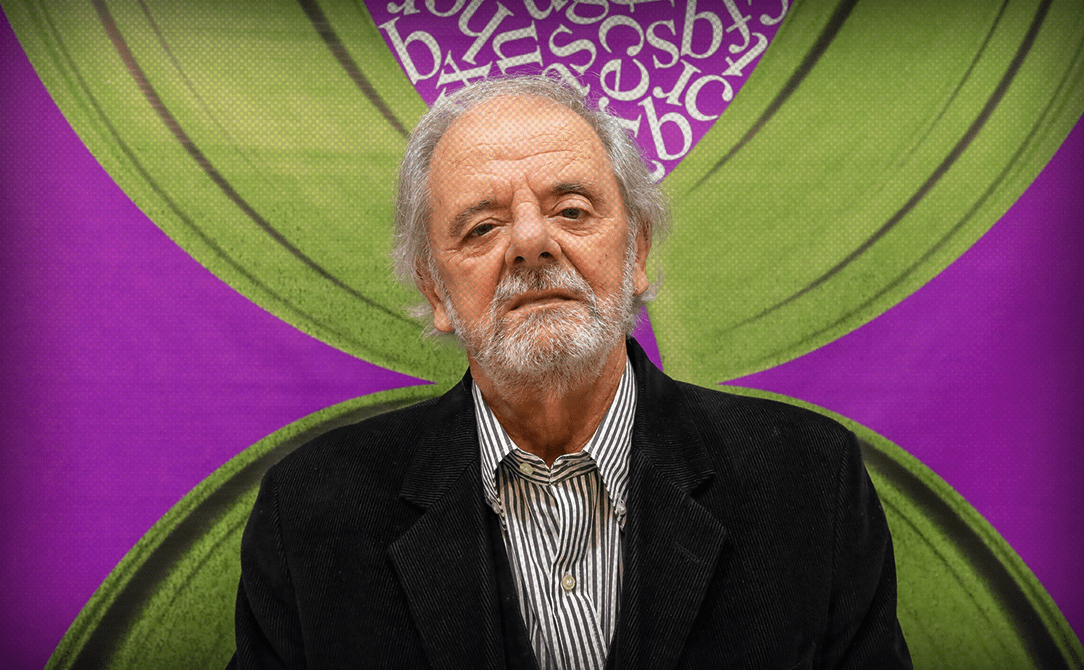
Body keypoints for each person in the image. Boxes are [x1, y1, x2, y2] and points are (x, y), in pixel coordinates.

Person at [229, 75, 911, 669]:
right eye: (482, 227)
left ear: (636, 251)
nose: (531, 243)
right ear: (436, 289)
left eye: (572, 211)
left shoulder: (810, 480)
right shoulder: (310, 513)